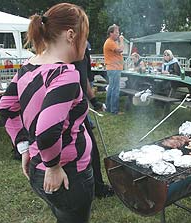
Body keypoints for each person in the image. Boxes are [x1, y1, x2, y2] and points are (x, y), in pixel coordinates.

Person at [0, 3, 94, 222]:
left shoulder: (28, 67)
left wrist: (23, 147)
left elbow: (6, 108)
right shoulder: (64, 73)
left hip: (38, 170)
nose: (85, 44)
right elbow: (47, 130)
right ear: (71, 35)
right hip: (68, 174)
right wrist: (53, 166)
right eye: (84, 36)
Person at [73, 44, 114, 199]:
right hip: (65, 111)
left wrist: (94, 100)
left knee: (92, 150)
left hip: (80, 110)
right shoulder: (64, 56)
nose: (85, 45)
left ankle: (98, 186)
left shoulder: (83, 55)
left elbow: (85, 81)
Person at [103, 24, 124, 115]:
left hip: (113, 68)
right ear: (111, 33)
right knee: (115, 89)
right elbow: (120, 50)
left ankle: (108, 108)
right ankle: (114, 110)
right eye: (116, 32)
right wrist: (122, 40)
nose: (118, 34)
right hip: (114, 69)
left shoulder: (111, 42)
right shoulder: (110, 42)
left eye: (118, 32)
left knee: (111, 88)